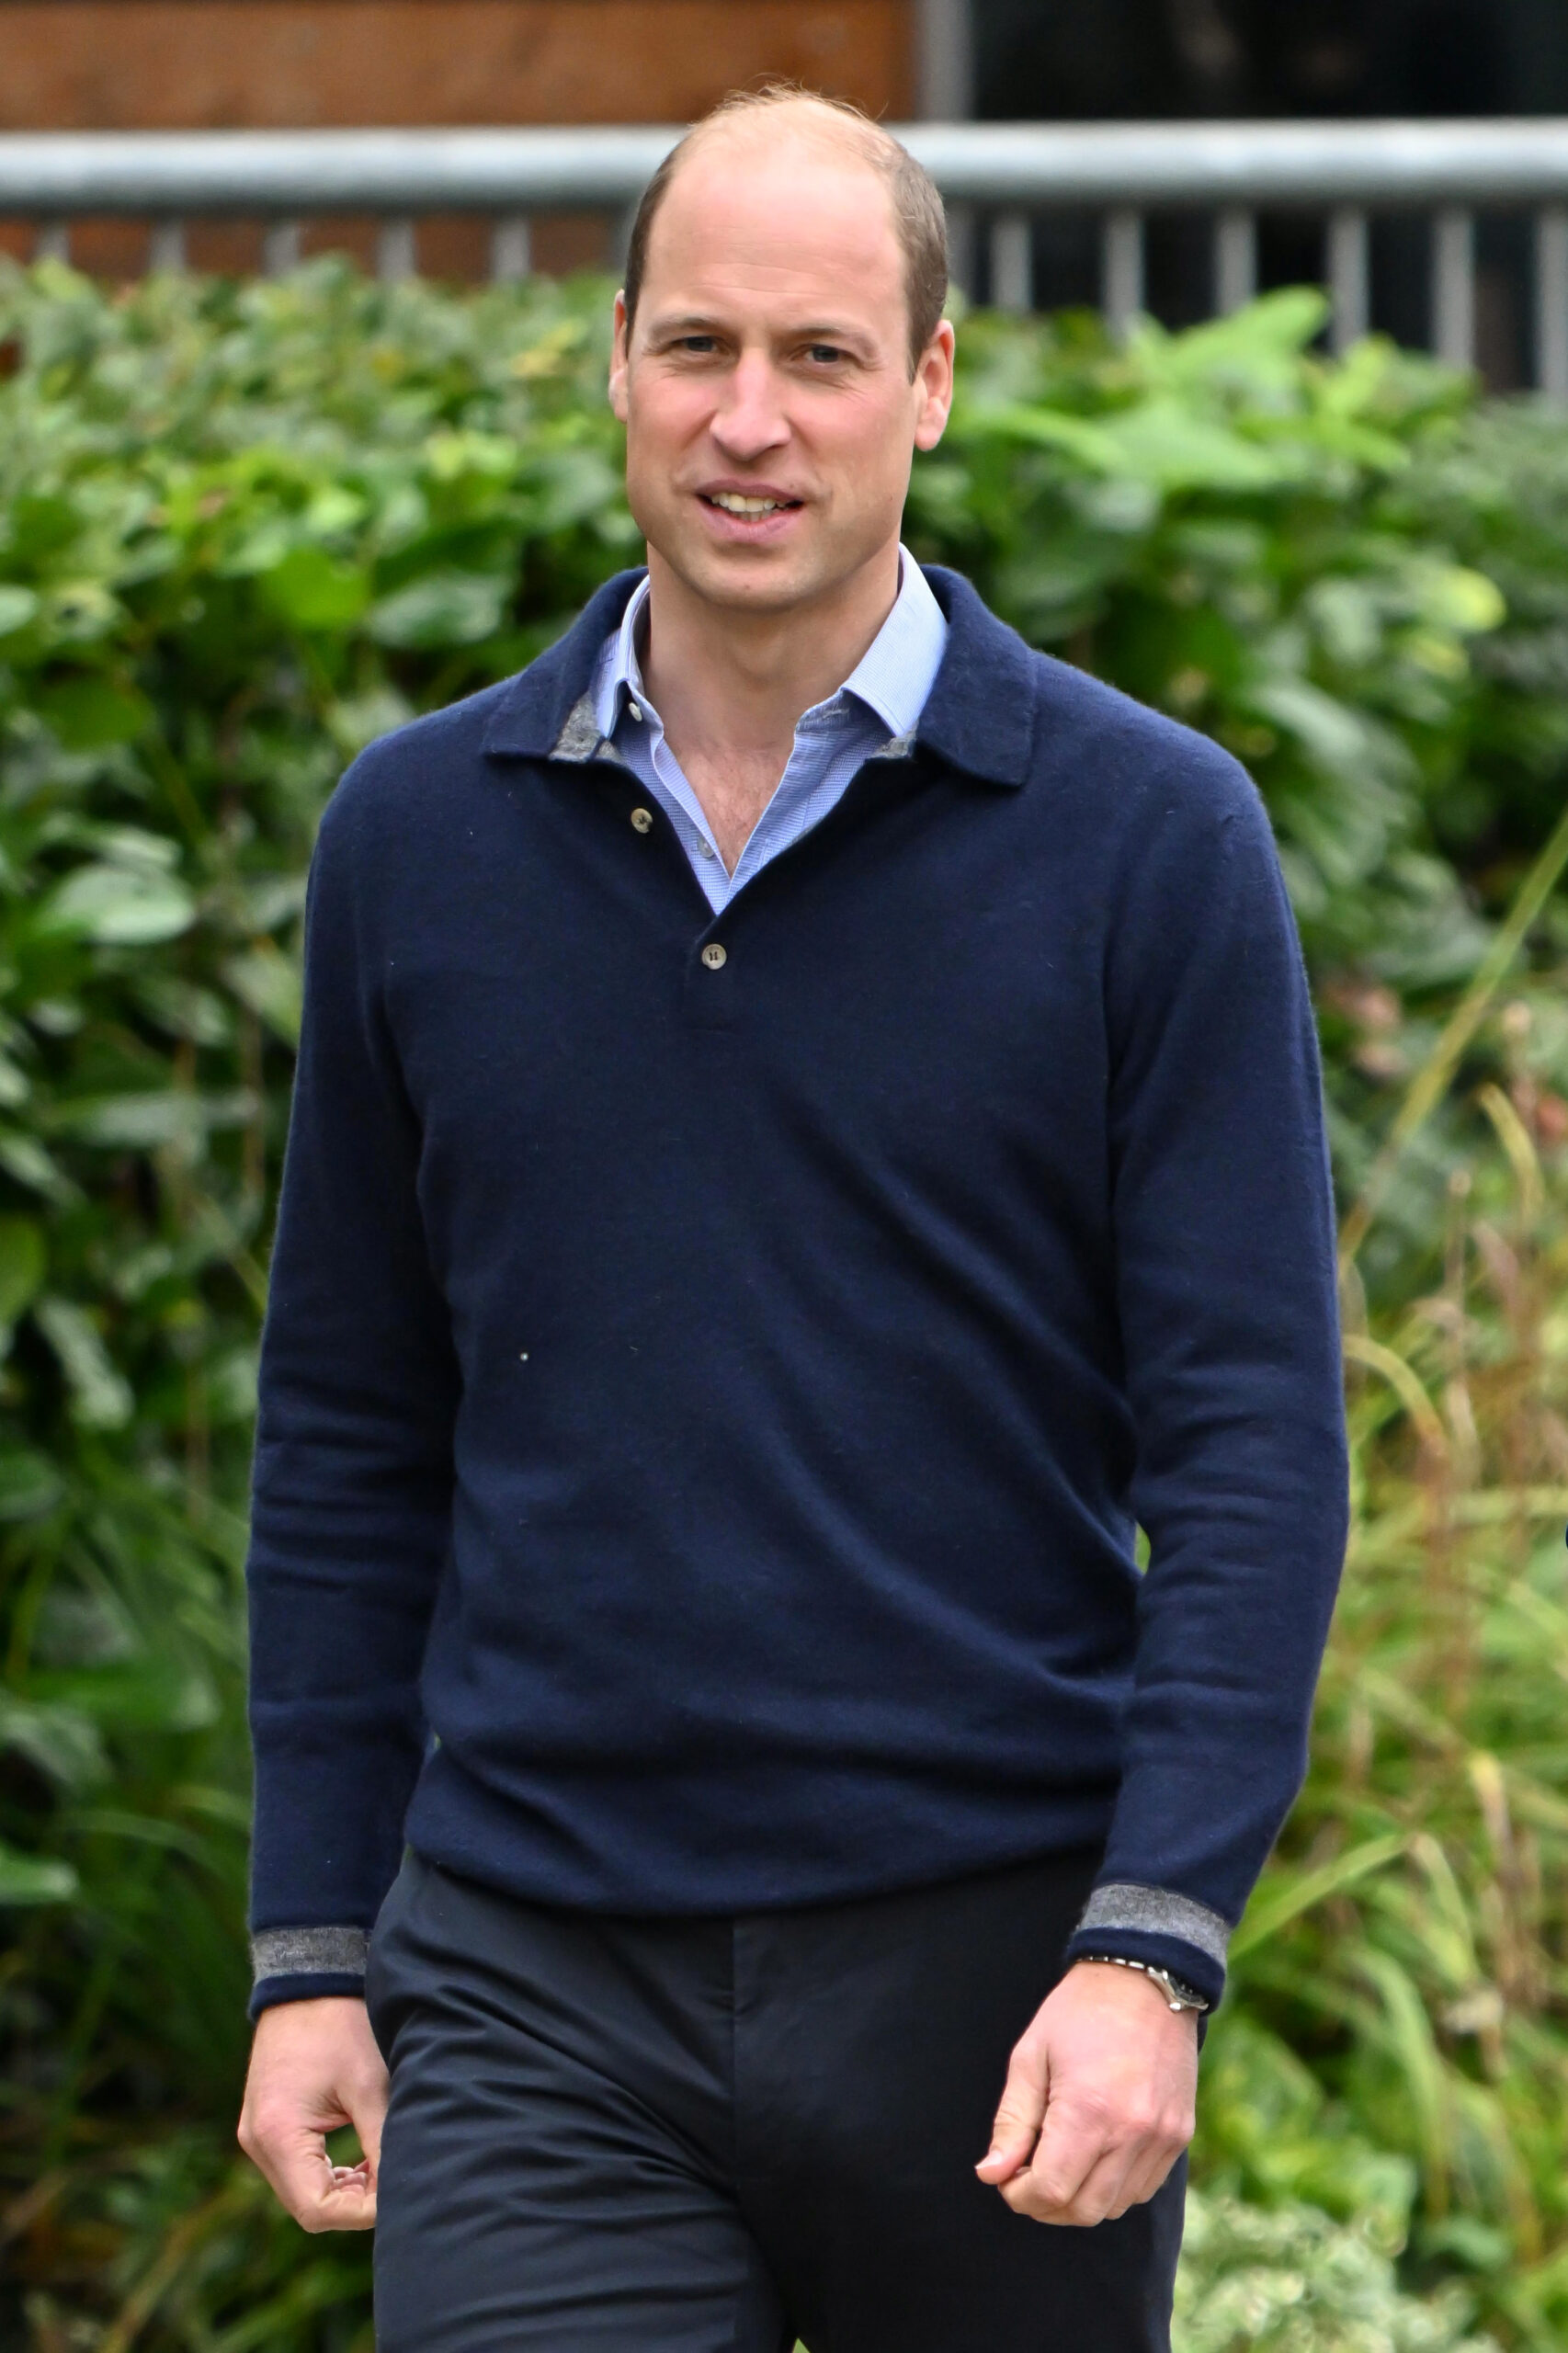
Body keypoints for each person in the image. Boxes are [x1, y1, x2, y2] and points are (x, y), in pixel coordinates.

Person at [236, 85, 1347, 2353]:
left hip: (992, 1975)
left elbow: (1247, 1440)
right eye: (697, 348)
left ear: (930, 384)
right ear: (616, 359)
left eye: (823, 356)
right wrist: (314, 1947)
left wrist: (1151, 1943)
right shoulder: (417, 839)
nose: (750, 423)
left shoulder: (1150, 841)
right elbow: (348, 1426)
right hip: (538, 1968)